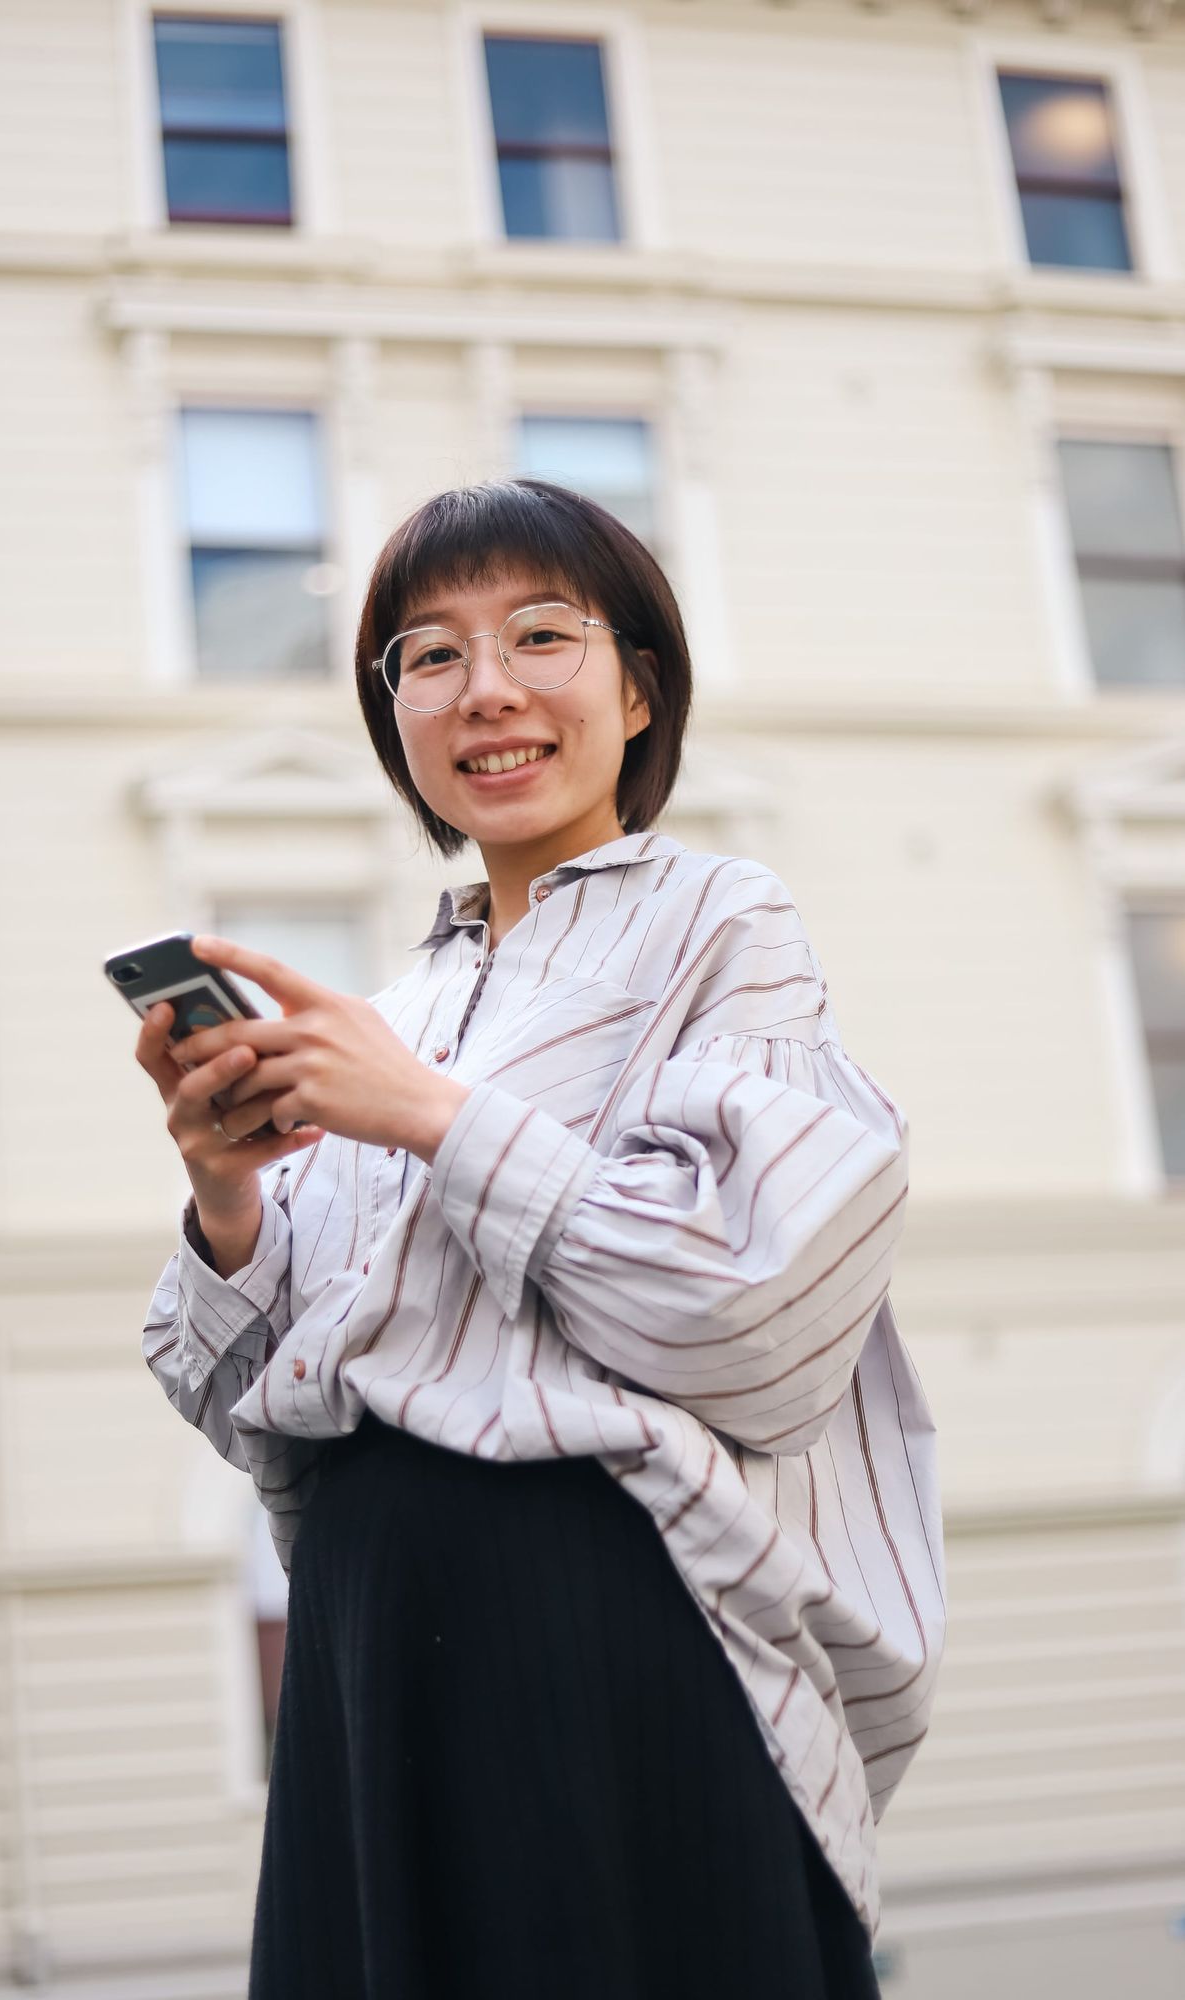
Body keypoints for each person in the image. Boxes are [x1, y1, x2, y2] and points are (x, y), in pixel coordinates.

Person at [137, 478, 945, 2000]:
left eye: (540, 635)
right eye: (427, 657)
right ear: (398, 722)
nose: (485, 689)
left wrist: (434, 1120)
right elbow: (236, 1397)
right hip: (368, 1641)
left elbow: (760, 1310)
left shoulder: (723, 924)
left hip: (597, 1604)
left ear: (638, 690)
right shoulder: (401, 1008)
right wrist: (230, 1198)